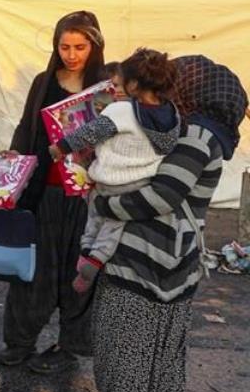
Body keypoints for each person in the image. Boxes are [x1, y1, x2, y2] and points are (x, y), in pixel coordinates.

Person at [73, 55, 246, 392]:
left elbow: (162, 195)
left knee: (125, 344)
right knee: (167, 349)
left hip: (144, 257)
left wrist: (103, 205)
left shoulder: (197, 136)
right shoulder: (199, 132)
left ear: (194, 90)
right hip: (178, 262)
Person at [0, 11, 106, 373]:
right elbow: (28, 126)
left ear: (95, 46)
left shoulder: (106, 88)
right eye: (64, 46)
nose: (72, 54)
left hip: (89, 198)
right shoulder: (45, 82)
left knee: (79, 273)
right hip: (46, 193)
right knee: (35, 270)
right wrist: (17, 155)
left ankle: (70, 346)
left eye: (80, 47)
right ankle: (20, 342)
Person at [49, 49, 181, 294]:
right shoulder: (172, 114)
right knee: (114, 226)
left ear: (133, 84)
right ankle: (95, 259)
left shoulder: (122, 111)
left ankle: (88, 254)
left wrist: (61, 147)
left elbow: (90, 132)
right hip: (140, 185)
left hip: (108, 182)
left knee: (95, 217)